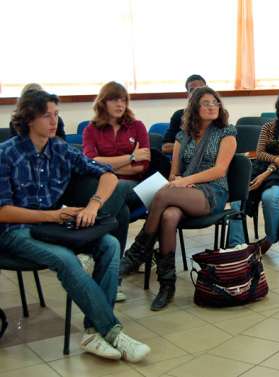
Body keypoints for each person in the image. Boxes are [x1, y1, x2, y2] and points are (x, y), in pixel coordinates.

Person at [0, 90, 150, 362]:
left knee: (110, 244)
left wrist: (94, 205)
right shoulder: (6, 154)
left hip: (52, 226)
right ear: (29, 118)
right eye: (47, 115)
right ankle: (112, 331)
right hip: (15, 231)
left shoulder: (59, 149)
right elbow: (3, 212)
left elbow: (107, 175)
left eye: (56, 114)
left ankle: (93, 332)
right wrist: (56, 215)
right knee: (66, 260)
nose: (54, 121)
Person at [120, 87, 237, 311]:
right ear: (194, 108)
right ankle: (167, 285)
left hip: (213, 191)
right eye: (206, 103)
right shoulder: (182, 136)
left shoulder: (226, 132)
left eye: (215, 102)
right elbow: (173, 173)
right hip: (184, 190)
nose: (212, 106)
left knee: (163, 193)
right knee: (169, 215)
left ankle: (139, 250)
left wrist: (185, 181)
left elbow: (219, 171)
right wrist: (180, 180)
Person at [228, 89, 279, 253]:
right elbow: (259, 153)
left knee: (269, 197)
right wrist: (277, 160)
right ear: (278, 107)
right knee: (237, 198)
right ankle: (237, 246)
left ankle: (271, 238)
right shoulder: (268, 127)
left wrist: (267, 173)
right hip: (261, 167)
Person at [83, 81, 150, 210]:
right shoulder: (91, 129)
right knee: (122, 210)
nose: (120, 105)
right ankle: (106, 227)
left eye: (123, 100)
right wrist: (131, 157)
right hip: (101, 182)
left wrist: (103, 165)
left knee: (117, 186)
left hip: (132, 183)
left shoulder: (137, 126)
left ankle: (97, 225)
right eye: (114, 100)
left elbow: (141, 166)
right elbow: (89, 162)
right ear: (103, 103)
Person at [161, 74, 207, 154]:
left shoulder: (216, 114)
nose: (197, 93)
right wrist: (194, 146)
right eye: (192, 90)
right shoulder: (179, 115)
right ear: (187, 94)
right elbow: (165, 147)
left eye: (200, 89)